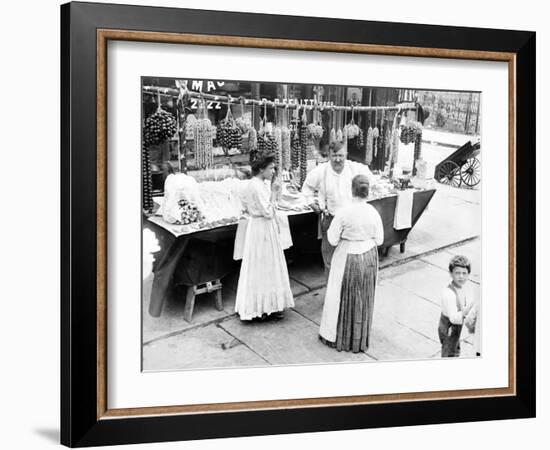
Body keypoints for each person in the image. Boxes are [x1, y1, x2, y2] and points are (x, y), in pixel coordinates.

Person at [319, 175, 384, 353]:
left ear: (352, 190)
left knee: (340, 296)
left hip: (347, 256)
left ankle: (339, 336)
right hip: (369, 257)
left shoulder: (343, 212)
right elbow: (380, 240)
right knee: (363, 298)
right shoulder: (373, 212)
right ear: (367, 191)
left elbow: (332, 240)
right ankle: (359, 338)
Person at [302, 140, 376, 279]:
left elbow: (372, 180)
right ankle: (332, 297)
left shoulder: (355, 168)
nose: (337, 159)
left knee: (349, 260)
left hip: (352, 222)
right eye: (334, 156)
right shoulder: (321, 171)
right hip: (331, 220)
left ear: (346, 155)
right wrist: (312, 203)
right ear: (329, 155)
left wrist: (363, 200)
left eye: (341, 156)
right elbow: (306, 188)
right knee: (330, 261)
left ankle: (346, 296)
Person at [234, 154, 295, 321]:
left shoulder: (259, 184)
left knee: (266, 265)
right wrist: (274, 194)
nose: (273, 171)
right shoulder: (256, 186)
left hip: (262, 227)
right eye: (271, 168)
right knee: (263, 265)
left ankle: (268, 306)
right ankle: (260, 308)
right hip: (261, 227)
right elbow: (268, 211)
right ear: (261, 169)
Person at [438, 255, 475, 357]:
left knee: (455, 345)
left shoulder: (460, 286)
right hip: (449, 326)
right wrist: (469, 307)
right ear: (451, 273)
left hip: (454, 324)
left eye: (464, 273)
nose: (461, 276)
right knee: (449, 351)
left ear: (469, 274)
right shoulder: (449, 294)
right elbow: (454, 318)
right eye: (457, 273)